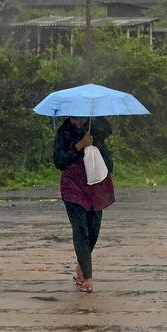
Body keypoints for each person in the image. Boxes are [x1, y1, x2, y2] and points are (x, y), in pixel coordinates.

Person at [53, 116, 115, 293]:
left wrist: (91, 135)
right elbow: (59, 160)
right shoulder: (63, 132)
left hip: (96, 184)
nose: (78, 117)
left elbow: (107, 131)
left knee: (93, 229)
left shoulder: (95, 125)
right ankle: (87, 278)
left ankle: (81, 265)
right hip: (73, 186)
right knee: (80, 230)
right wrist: (79, 145)